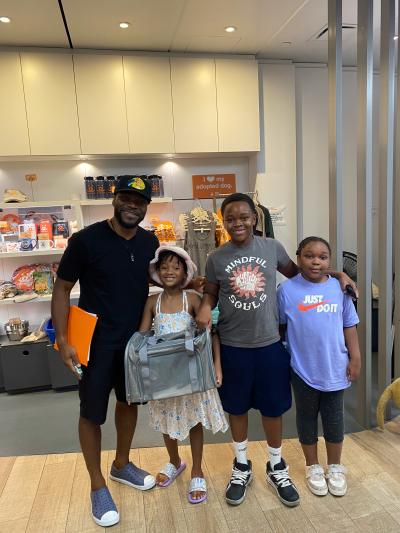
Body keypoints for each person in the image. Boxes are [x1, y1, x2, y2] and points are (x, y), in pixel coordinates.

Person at [196, 192, 355, 508]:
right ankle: (242, 465)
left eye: (244, 216)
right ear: (223, 222)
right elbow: (212, 293)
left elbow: (304, 276)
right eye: (230, 218)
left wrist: (337, 274)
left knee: (273, 408)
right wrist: (204, 306)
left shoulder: (272, 248)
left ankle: (276, 465)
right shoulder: (216, 257)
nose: (237, 223)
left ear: (255, 218)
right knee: (237, 408)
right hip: (232, 345)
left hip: (270, 345)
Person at [52, 176, 159, 528]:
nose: (133, 205)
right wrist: (64, 340)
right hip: (95, 344)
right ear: (114, 200)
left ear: (146, 206)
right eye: (126, 198)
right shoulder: (85, 241)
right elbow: (62, 288)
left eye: (140, 201)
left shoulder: (149, 241)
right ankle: (97, 484)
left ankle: (121, 464)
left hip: (133, 344)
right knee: (92, 413)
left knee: (129, 404)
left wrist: (195, 285)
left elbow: (157, 279)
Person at [139, 246, 228, 504]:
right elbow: (142, 338)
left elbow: (211, 335)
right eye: (164, 267)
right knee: (166, 422)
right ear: (157, 271)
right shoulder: (151, 302)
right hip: (164, 376)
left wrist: (217, 367)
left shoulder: (193, 299)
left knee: (195, 421)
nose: (169, 272)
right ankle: (174, 461)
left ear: (184, 272)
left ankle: (197, 469)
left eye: (175, 268)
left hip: (192, 375)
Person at [277, 236, 361, 497]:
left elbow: (349, 325)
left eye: (323, 257)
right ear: (298, 257)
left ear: (330, 260)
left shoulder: (339, 288)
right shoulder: (286, 291)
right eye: (309, 256)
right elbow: (281, 328)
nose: (316, 261)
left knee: (334, 419)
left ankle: (335, 467)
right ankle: (313, 466)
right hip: (302, 369)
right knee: (306, 418)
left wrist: (355, 358)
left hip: (335, 366)